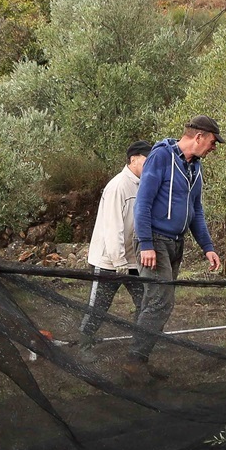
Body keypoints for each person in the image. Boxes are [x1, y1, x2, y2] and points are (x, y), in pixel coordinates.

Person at [131, 115, 225, 364]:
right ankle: (134, 361)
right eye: (213, 142)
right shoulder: (161, 156)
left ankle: (138, 360)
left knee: (158, 302)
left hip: (175, 243)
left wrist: (208, 247)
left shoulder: (195, 167)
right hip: (154, 240)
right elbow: (143, 203)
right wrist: (146, 244)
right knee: (160, 301)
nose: (214, 148)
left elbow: (197, 210)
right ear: (199, 137)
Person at [80, 142, 151, 348]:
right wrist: (118, 259)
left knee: (145, 303)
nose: (150, 165)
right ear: (133, 159)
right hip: (108, 262)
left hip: (133, 260)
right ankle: (84, 345)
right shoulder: (118, 186)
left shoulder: (144, 185)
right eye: (147, 160)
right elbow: (112, 227)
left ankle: (139, 347)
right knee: (98, 307)